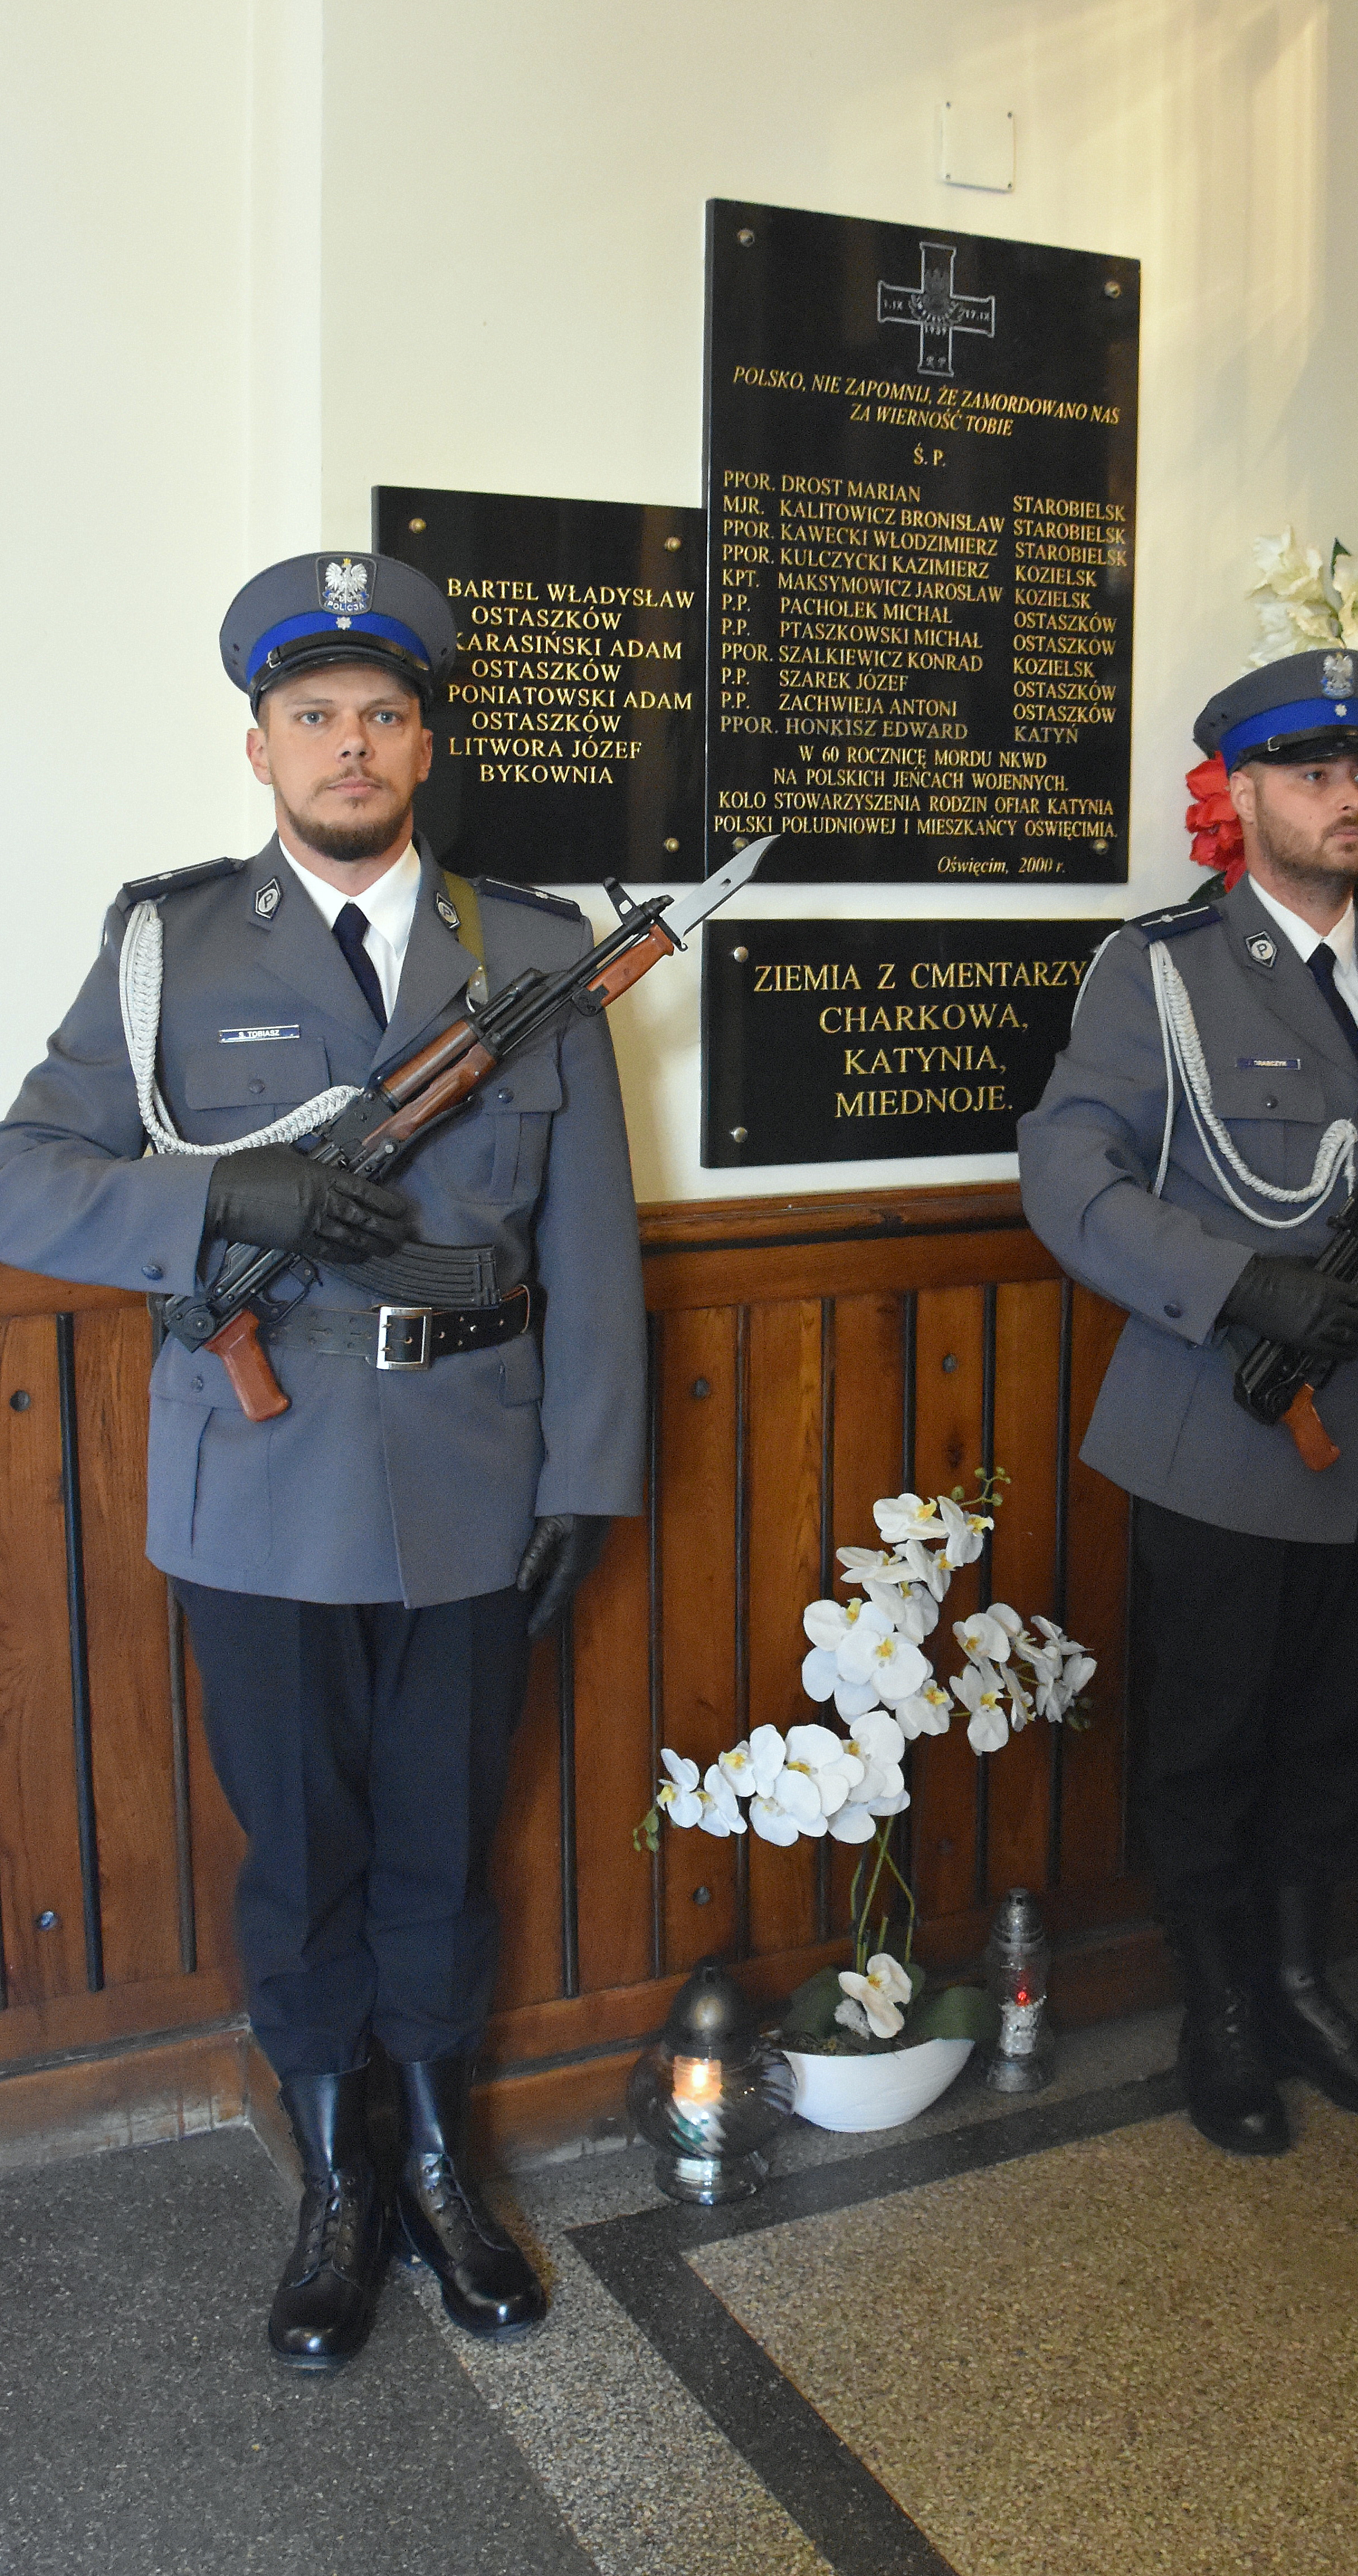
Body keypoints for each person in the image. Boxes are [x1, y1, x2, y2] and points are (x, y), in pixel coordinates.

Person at [0, 551, 646, 2363]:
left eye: (381, 714)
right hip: (260, 1480)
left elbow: (593, 1234)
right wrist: (227, 1198)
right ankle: (337, 2182)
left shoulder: (531, 952)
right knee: (302, 1851)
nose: (348, 744)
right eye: (312, 716)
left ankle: (441, 2165)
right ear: (261, 747)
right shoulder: (168, 949)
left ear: (424, 743)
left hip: (474, 1474)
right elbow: (24, 1171)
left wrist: (589, 1472)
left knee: (445, 1838)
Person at [1018, 649, 1358, 2157]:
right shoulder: (1161, 974)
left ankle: (1298, 1984)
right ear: (1243, 796)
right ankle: (1218, 2009)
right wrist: (1241, 1286)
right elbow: (1067, 1176)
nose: (1346, 801)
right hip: (1219, 1434)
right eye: (1310, 776)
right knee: (1211, 1744)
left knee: (1339, 1735)